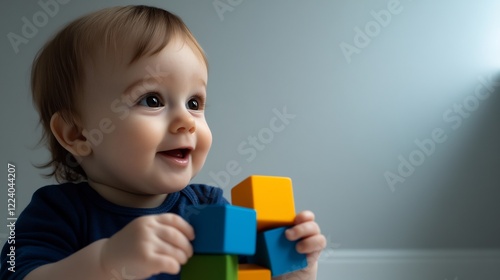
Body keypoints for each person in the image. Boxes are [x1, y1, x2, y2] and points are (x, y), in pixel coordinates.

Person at [0, 5, 326, 280]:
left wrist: (287, 269)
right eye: (152, 99)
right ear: (78, 134)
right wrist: (105, 262)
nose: (186, 120)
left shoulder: (209, 207)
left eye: (195, 103)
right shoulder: (58, 211)